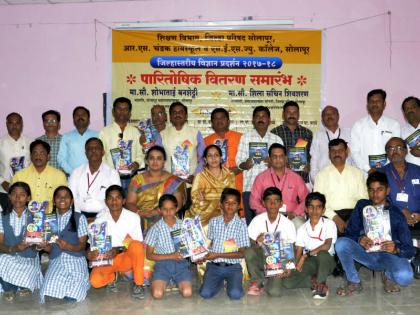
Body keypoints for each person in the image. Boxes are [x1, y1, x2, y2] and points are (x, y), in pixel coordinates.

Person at [335, 172, 415, 296]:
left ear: (387, 190)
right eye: (371, 190)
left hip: (388, 256)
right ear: (368, 191)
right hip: (366, 254)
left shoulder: (396, 213)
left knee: (405, 278)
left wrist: (396, 249)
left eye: (379, 189)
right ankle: (354, 281)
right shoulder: (362, 206)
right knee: (340, 243)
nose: (375, 194)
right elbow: (349, 234)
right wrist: (359, 239)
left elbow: (409, 249)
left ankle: (389, 277)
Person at [88, 185, 145, 299]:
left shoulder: (133, 217)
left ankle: (138, 283)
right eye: (110, 198)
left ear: (123, 201)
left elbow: (136, 244)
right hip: (107, 259)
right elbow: (92, 246)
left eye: (118, 198)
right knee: (95, 282)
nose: (114, 201)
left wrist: (118, 250)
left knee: (137, 246)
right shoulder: (99, 221)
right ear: (106, 201)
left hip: (126, 257)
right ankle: (113, 277)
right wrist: (89, 253)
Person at [39, 186, 89, 303]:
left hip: (75, 260)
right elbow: (50, 248)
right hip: (56, 260)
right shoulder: (48, 220)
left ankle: (82, 283)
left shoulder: (79, 218)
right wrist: (44, 246)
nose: (62, 199)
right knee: (47, 293)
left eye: (66, 197)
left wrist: (69, 247)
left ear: (71, 201)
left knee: (74, 296)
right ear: (54, 201)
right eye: (59, 197)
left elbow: (82, 245)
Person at [199, 188, 250, 300]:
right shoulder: (213, 221)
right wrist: (199, 255)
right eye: (227, 202)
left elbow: (241, 254)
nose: (230, 205)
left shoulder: (241, 225)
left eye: (234, 203)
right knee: (205, 294)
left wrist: (218, 255)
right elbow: (209, 243)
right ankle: (219, 283)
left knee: (235, 295)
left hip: (233, 267)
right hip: (214, 266)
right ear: (221, 204)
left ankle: (232, 283)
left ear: (238, 206)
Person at [236, 106, 284, 225]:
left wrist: (273, 162)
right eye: (257, 116)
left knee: (273, 222)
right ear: (253, 120)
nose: (261, 119)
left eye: (264, 116)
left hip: (272, 189)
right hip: (250, 188)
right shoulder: (245, 137)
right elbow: (239, 163)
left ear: (269, 120)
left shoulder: (276, 139)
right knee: (252, 224)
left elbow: (283, 164)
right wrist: (245, 164)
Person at [245, 187, 296, 296]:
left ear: (281, 203)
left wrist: (287, 267)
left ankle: (268, 280)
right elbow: (248, 242)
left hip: (278, 263)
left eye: (276, 201)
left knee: (274, 292)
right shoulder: (257, 220)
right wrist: (256, 242)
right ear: (263, 203)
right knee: (249, 251)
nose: (272, 204)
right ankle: (258, 280)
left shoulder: (288, 224)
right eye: (269, 200)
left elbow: (292, 248)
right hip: (261, 257)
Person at [126, 145, 185, 232]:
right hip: (140, 219)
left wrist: (158, 212)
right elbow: (130, 202)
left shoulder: (173, 180)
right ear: (146, 161)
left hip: (166, 218)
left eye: (159, 158)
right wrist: (140, 213)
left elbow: (178, 204)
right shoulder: (137, 179)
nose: (155, 161)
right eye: (151, 158)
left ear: (164, 161)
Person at [0, 182, 43, 302]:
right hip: (9, 256)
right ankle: (10, 288)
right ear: (9, 197)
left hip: (28, 258)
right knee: (2, 260)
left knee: (30, 266)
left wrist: (39, 247)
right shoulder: (2, 217)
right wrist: (14, 248)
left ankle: (14, 285)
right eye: (14, 194)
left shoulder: (36, 217)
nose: (17, 198)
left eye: (22, 195)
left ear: (28, 198)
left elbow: (36, 248)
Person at [314, 139, 368, 233]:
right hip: (330, 216)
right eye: (333, 151)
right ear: (329, 154)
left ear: (347, 152)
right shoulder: (321, 175)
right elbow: (318, 203)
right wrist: (335, 218)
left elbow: (364, 200)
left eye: (340, 150)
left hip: (354, 215)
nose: (337, 153)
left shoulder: (358, 173)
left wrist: (352, 219)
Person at [144, 194, 193, 299]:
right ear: (160, 210)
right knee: (157, 294)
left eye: (171, 209)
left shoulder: (184, 225)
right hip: (162, 266)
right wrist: (171, 256)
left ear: (176, 209)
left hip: (181, 265)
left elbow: (193, 246)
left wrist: (196, 253)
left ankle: (173, 281)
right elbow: (149, 255)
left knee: (187, 293)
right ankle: (160, 280)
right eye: (165, 209)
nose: (168, 212)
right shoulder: (155, 228)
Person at [250, 143, 308, 229]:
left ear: (286, 158)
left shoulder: (296, 178)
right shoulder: (261, 178)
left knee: (300, 225)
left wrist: (295, 212)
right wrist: (267, 212)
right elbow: (253, 202)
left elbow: (306, 199)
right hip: (267, 215)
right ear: (269, 159)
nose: (278, 159)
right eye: (274, 157)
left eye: (281, 156)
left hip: (291, 216)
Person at [294, 192, 337, 299]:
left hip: (327, 260)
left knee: (322, 253)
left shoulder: (329, 224)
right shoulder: (302, 229)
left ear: (323, 210)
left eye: (318, 207)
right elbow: (298, 251)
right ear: (306, 209)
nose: (314, 211)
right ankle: (313, 280)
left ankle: (321, 285)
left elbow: (326, 246)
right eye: (311, 207)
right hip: (311, 261)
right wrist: (295, 265)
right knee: (287, 283)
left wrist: (305, 256)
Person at [69, 137, 121, 221]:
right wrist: (80, 218)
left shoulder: (112, 173)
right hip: (78, 216)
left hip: (105, 217)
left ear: (103, 152)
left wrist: (97, 218)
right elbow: (71, 197)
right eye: (90, 148)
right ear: (86, 153)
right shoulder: (76, 172)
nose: (93, 150)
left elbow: (115, 200)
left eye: (96, 148)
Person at [99, 97, 144, 193]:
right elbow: (101, 156)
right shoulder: (104, 132)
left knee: (131, 206)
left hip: (132, 179)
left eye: (125, 109)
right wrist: (106, 173)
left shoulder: (135, 132)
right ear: (113, 111)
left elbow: (140, 154)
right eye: (119, 109)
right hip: (110, 178)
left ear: (130, 113)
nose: (122, 112)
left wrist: (137, 163)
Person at [351, 89, 401, 174]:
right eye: (371, 101)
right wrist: (368, 169)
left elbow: (396, 150)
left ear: (384, 104)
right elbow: (354, 151)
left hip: (388, 173)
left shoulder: (393, 125)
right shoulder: (358, 125)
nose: (374, 104)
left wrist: (385, 169)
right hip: (365, 174)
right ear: (367, 105)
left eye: (378, 101)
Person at [186, 144, 236, 227]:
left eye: (216, 155)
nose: (213, 158)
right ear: (205, 159)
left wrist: (220, 205)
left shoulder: (229, 175)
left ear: (221, 157)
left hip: (225, 209)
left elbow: (233, 196)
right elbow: (195, 198)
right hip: (204, 210)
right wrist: (202, 201)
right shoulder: (200, 176)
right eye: (210, 156)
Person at [12, 140, 67, 214]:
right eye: (35, 153)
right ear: (31, 156)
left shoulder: (59, 176)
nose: (38, 156)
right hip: (25, 216)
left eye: (42, 153)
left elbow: (63, 200)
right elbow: (14, 199)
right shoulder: (19, 175)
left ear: (48, 156)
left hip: (50, 217)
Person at [205, 108, 243, 213]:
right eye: (215, 119)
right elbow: (203, 165)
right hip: (214, 188)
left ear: (228, 121)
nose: (219, 121)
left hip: (236, 183)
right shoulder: (206, 141)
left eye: (222, 118)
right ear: (212, 123)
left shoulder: (241, 138)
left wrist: (239, 168)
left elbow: (246, 161)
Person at [378, 137, 420, 232]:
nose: (395, 152)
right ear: (387, 154)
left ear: (406, 151)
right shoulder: (380, 174)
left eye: (398, 148)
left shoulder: (418, 171)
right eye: (391, 149)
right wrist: (400, 210)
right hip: (392, 221)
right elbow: (377, 200)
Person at [160, 101, 205, 184]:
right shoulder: (162, 134)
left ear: (186, 116)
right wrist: (165, 176)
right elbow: (158, 158)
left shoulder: (195, 133)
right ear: (170, 116)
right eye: (174, 112)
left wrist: (195, 175)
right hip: (168, 183)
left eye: (181, 112)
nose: (177, 114)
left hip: (190, 182)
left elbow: (203, 158)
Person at [271, 101, 313, 183]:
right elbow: (271, 157)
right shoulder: (275, 133)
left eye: (294, 112)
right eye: (288, 112)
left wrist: (310, 165)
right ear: (283, 114)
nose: (292, 115)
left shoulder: (307, 133)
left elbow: (312, 155)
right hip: (281, 179)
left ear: (298, 114)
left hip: (303, 178)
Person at [309, 106, 352, 183]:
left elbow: (354, 158)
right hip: (325, 180)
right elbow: (314, 161)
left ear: (338, 116)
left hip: (347, 179)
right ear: (322, 119)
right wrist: (316, 180)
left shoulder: (349, 133)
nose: (329, 116)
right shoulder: (317, 136)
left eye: (332, 113)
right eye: (326, 114)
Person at [0, 113, 32, 210]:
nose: (14, 125)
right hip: (5, 190)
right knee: (5, 219)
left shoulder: (30, 142)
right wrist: (2, 181)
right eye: (11, 123)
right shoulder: (0, 143)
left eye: (17, 123)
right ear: (6, 124)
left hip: (26, 189)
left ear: (22, 124)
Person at [57, 106, 98, 176]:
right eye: (77, 115)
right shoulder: (66, 136)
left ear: (89, 120)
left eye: (83, 115)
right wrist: (73, 172)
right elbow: (61, 158)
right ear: (73, 120)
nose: (80, 117)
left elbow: (102, 156)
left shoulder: (97, 135)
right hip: (73, 176)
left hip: (94, 175)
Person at [401, 96, 420, 166]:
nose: (410, 111)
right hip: (412, 174)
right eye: (407, 109)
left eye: (413, 107)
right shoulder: (400, 132)